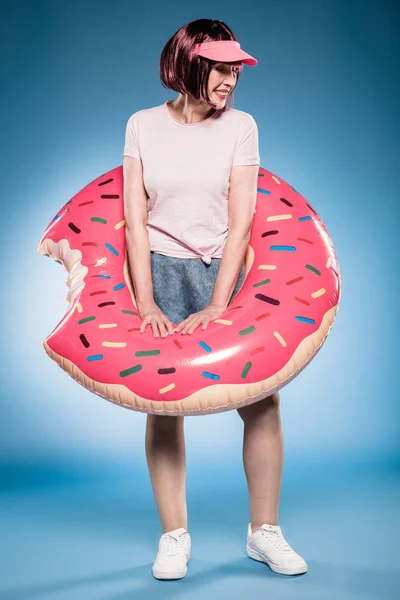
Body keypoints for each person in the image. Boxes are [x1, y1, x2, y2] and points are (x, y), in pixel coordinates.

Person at [123, 18, 308, 581]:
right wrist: (147, 303)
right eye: (220, 69)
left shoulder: (242, 127)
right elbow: (134, 221)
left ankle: (264, 532)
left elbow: (241, 221)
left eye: (235, 71)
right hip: (158, 270)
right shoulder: (141, 125)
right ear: (188, 64)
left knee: (262, 401)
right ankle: (174, 537)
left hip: (220, 272)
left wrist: (219, 304)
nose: (231, 81)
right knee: (164, 405)